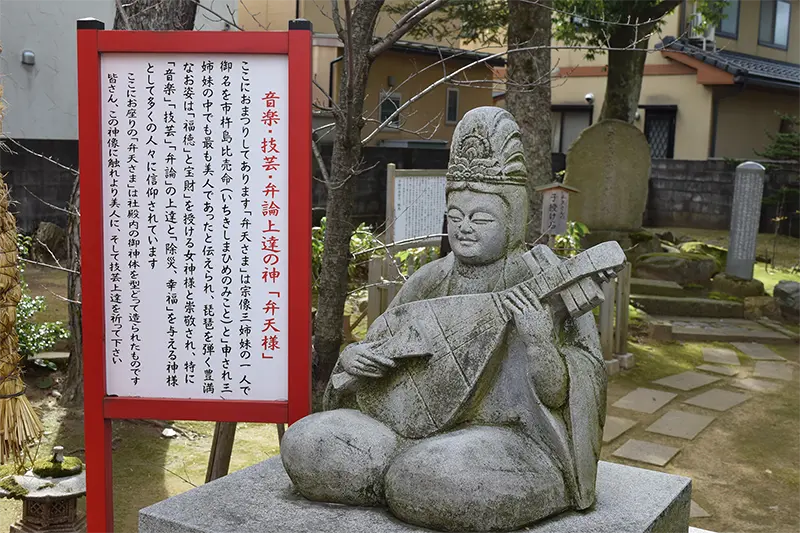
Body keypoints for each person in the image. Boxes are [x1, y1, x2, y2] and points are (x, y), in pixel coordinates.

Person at [281, 107, 606, 532]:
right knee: (307, 442)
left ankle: (406, 480)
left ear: (511, 222)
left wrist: (541, 343)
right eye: (455, 217)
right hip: (407, 427)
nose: (465, 228)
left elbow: (568, 393)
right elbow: (385, 344)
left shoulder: (539, 278)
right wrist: (355, 360)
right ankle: (396, 478)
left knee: (434, 479)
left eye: (481, 218)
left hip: (505, 439)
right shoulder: (430, 278)